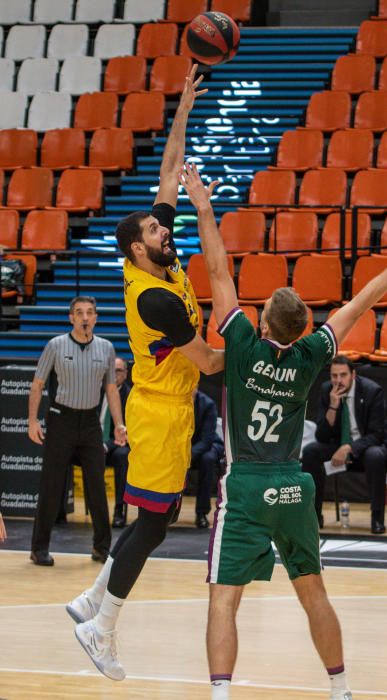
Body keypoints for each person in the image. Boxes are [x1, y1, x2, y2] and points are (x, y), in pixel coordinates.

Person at [179, 161, 387, 700]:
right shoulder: (311, 353)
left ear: (267, 323)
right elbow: (360, 302)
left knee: (223, 601)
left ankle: (220, 695)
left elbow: (220, 271)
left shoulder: (245, 344)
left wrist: (203, 206)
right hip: (293, 486)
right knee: (313, 593)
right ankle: (340, 689)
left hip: (248, 484)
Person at [67, 65, 224, 682]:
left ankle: (91, 599)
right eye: (159, 228)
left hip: (169, 408)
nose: (167, 226)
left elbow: (168, 172)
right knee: (155, 525)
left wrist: (182, 107)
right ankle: (101, 626)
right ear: (138, 248)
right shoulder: (153, 299)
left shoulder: (160, 260)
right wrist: (266, 349)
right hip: (159, 413)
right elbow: (210, 363)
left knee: (145, 519)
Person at [28, 296, 127, 567]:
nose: (85, 317)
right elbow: (37, 385)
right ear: (71, 317)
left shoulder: (106, 348)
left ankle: (101, 547)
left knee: (96, 484)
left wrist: (119, 424)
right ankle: (39, 548)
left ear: (96, 318)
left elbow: (110, 389)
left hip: (91, 423)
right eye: (79, 313)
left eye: (90, 313)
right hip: (61, 420)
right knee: (52, 484)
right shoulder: (56, 346)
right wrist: (32, 421)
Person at [301, 356, 387, 535]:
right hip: (336, 445)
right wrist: (332, 407)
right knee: (310, 452)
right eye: (334, 376)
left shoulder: (372, 391)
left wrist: (349, 448)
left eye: (343, 375)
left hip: (364, 447)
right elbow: (321, 435)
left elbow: (378, 433)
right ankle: (314, 517)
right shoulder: (327, 391)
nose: (338, 381)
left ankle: (377, 518)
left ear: (353, 374)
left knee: (375, 455)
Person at [102, 357, 131, 528]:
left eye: (118, 371)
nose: (114, 374)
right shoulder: (96, 392)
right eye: (111, 371)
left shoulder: (130, 396)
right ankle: (59, 512)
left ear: (126, 374)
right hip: (91, 442)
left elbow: (128, 430)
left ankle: (119, 510)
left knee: (123, 456)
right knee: (64, 451)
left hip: (115, 446)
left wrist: (107, 445)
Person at [191, 388, 224, 528]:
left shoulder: (207, 404)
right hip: (185, 446)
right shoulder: (174, 401)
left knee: (207, 459)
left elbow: (207, 439)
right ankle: (169, 510)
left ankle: (202, 512)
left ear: (196, 386)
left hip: (208, 444)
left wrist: (187, 455)